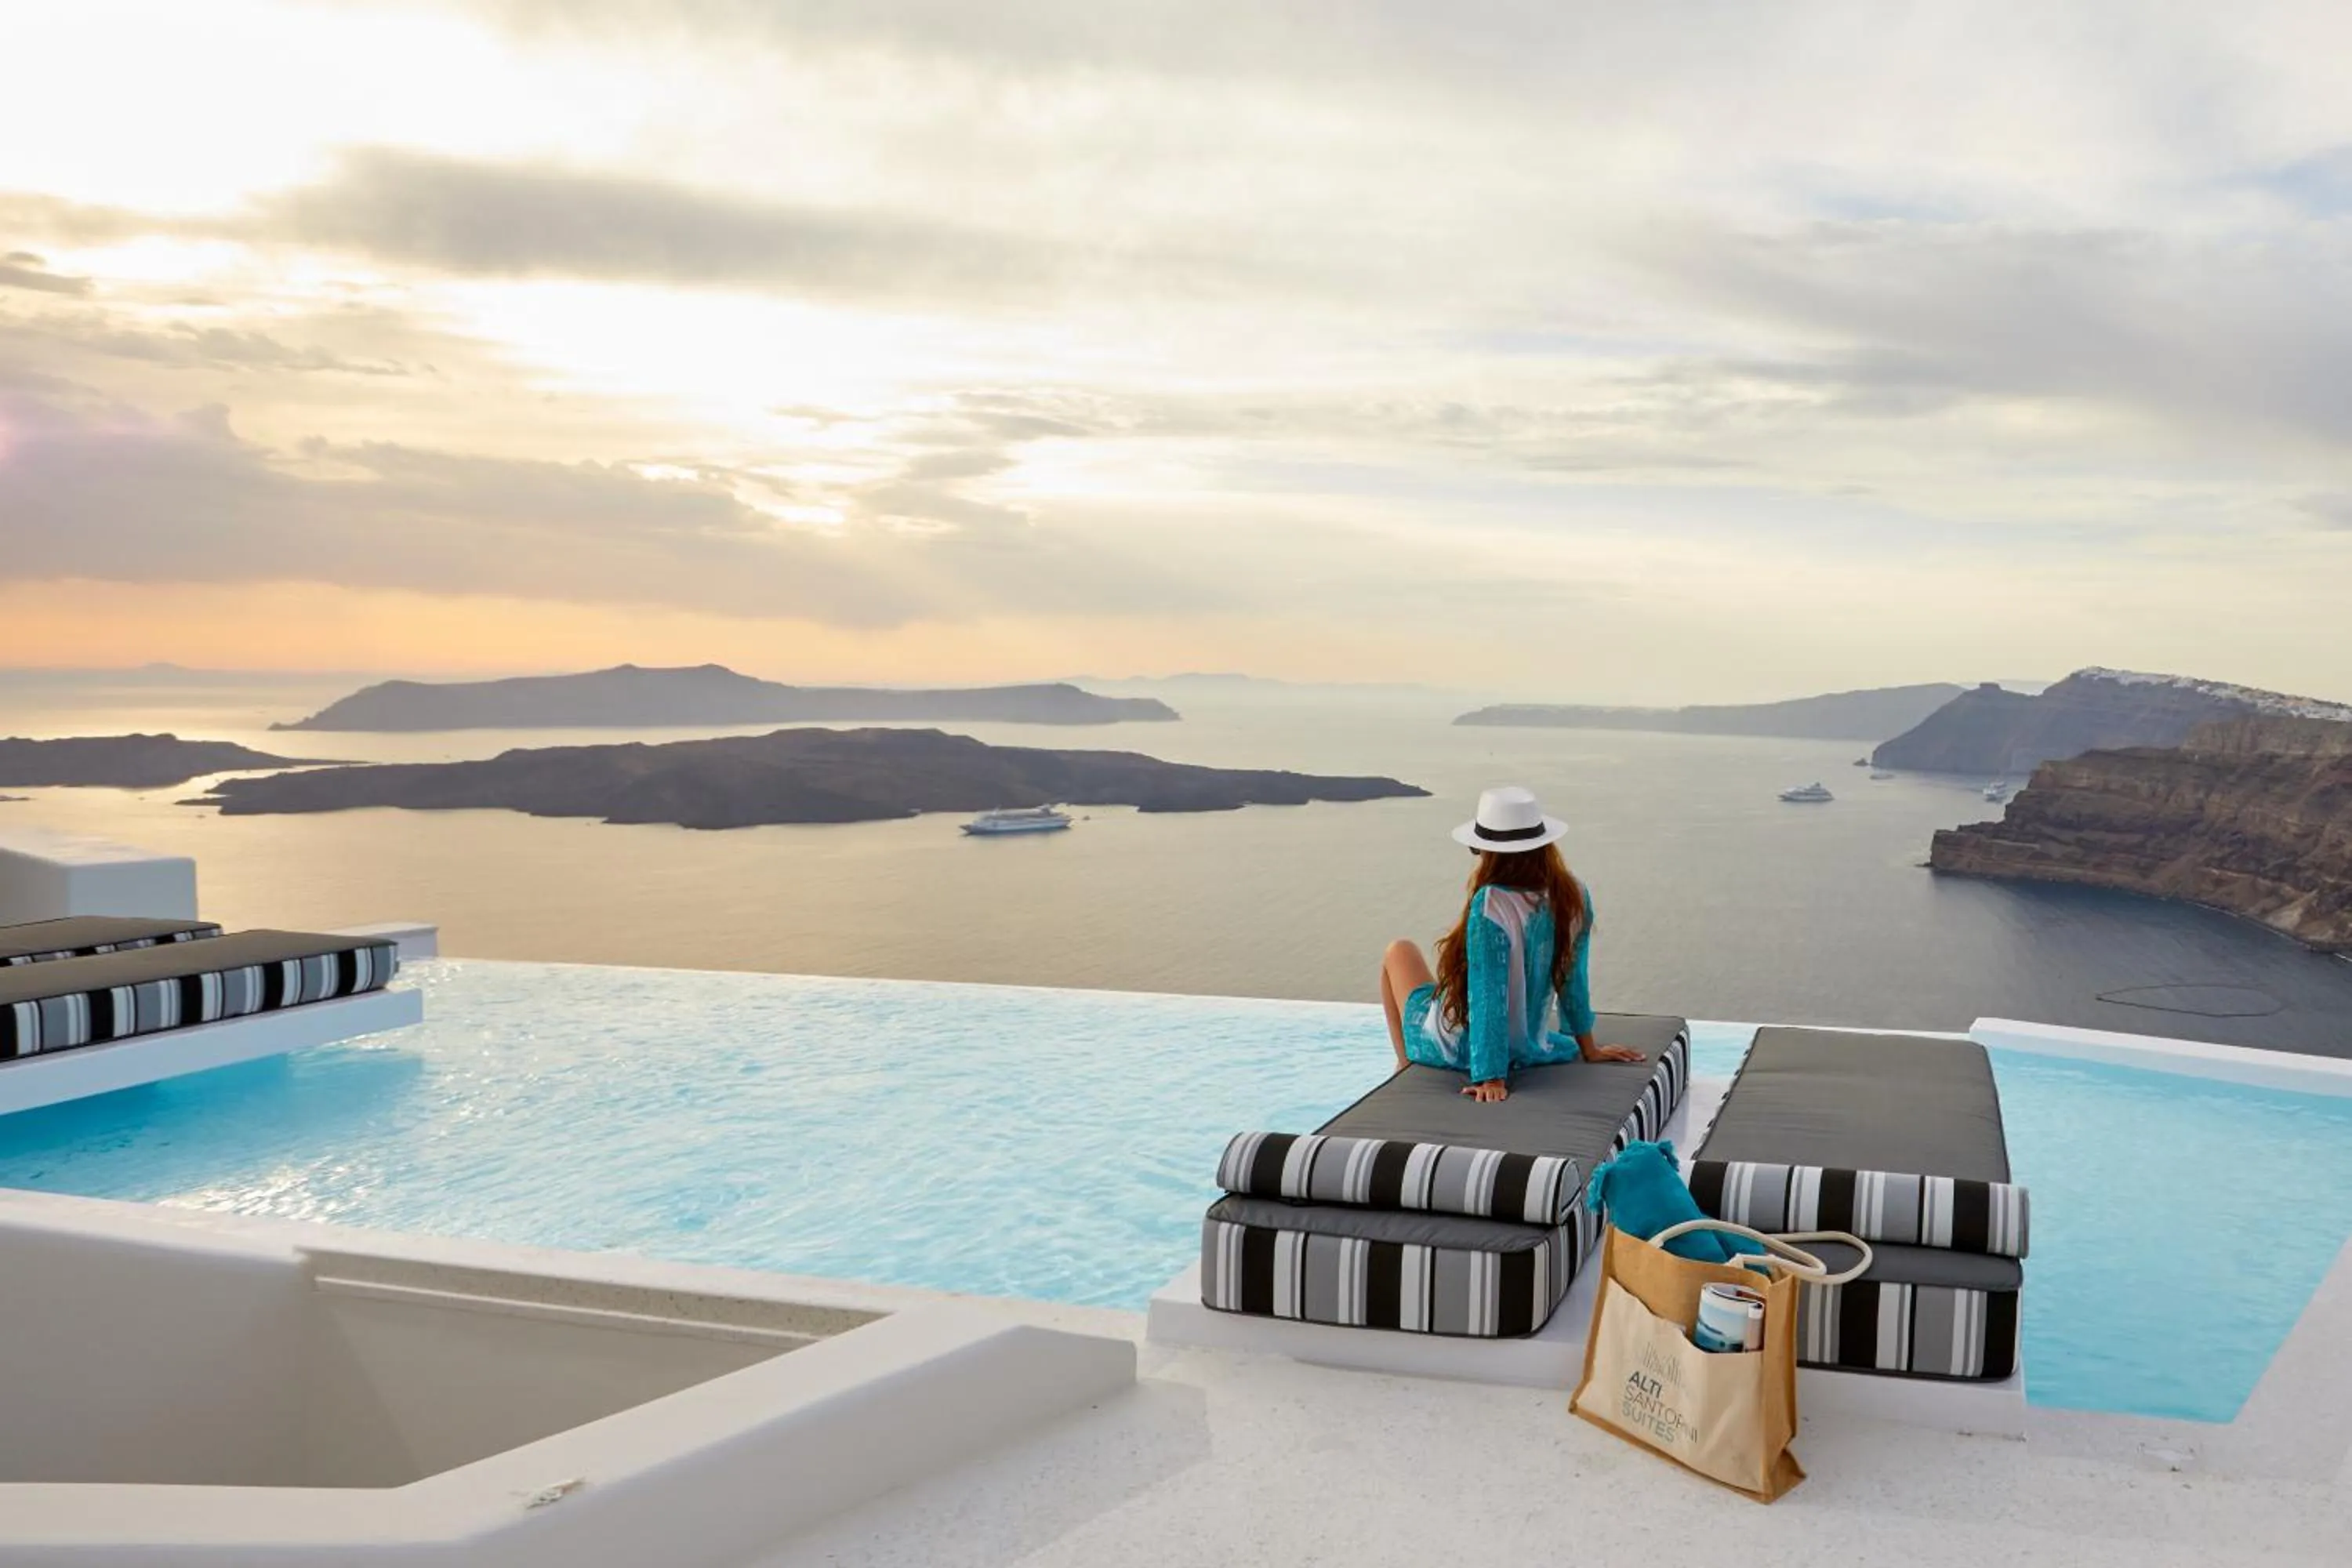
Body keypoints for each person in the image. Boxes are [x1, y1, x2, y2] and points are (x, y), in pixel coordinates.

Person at [1380, 785, 1644, 1102]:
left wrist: (1491, 1078)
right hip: (1530, 1044)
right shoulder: (1574, 895)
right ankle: (1405, 1066)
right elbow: (1573, 979)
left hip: (1462, 1046)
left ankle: (1405, 1066)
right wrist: (1589, 1048)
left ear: (1489, 852)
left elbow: (1488, 997)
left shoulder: (1492, 905)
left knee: (1398, 951)